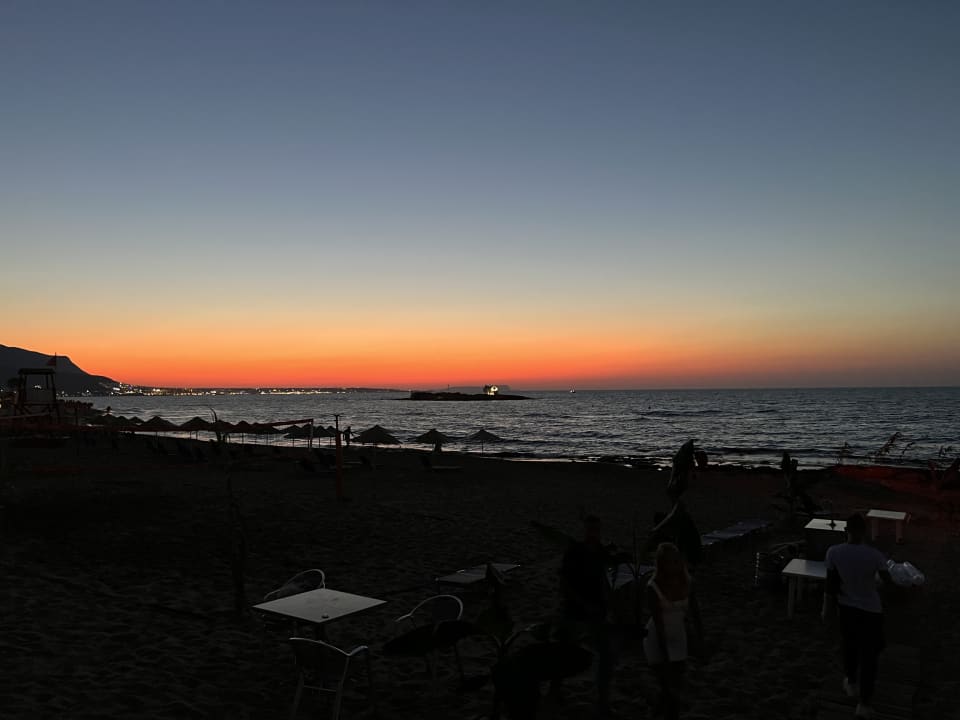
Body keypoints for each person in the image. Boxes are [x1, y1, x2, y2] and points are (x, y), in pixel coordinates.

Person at [822, 513, 892, 719]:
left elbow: (831, 586)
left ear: (846, 531)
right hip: (871, 610)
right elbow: (887, 583)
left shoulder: (833, 552)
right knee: (871, 655)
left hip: (846, 608)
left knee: (850, 646)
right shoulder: (875, 556)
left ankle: (851, 681)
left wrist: (826, 609)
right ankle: (864, 703)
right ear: (865, 532)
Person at [557, 514, 617, 716]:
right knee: (564, 653)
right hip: (575, 611)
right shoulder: (574, 551)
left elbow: (602, 578)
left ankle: (602, 701)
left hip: (596, 611)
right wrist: (583, 604)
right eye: (591, 530)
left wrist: (608, 600)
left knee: (606, 656)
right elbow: (565, 584)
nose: (594, 534)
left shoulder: (600, 551)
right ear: (585, 531)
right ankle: (556, 690)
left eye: (597, 530)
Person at [643, 542, 702, 720]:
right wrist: (665, 656)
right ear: (662, 564)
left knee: (670, 691)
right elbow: (659, 624)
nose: (674, 565)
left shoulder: (687, 582)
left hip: (678, 636)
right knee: (670, 692)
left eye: (676, 561)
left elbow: (695, 614)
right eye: (670, 562)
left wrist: (700, 641)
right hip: (656, 640)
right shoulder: (653, 587)